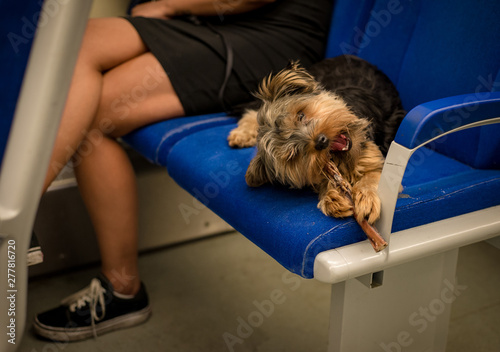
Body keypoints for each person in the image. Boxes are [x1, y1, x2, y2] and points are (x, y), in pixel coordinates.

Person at [33, 0, 333, 341]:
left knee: (91, 115)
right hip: (205, 20)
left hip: (270, 32)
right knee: (76, 42)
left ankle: (20, 217)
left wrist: (168, 5)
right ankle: (18, 213)